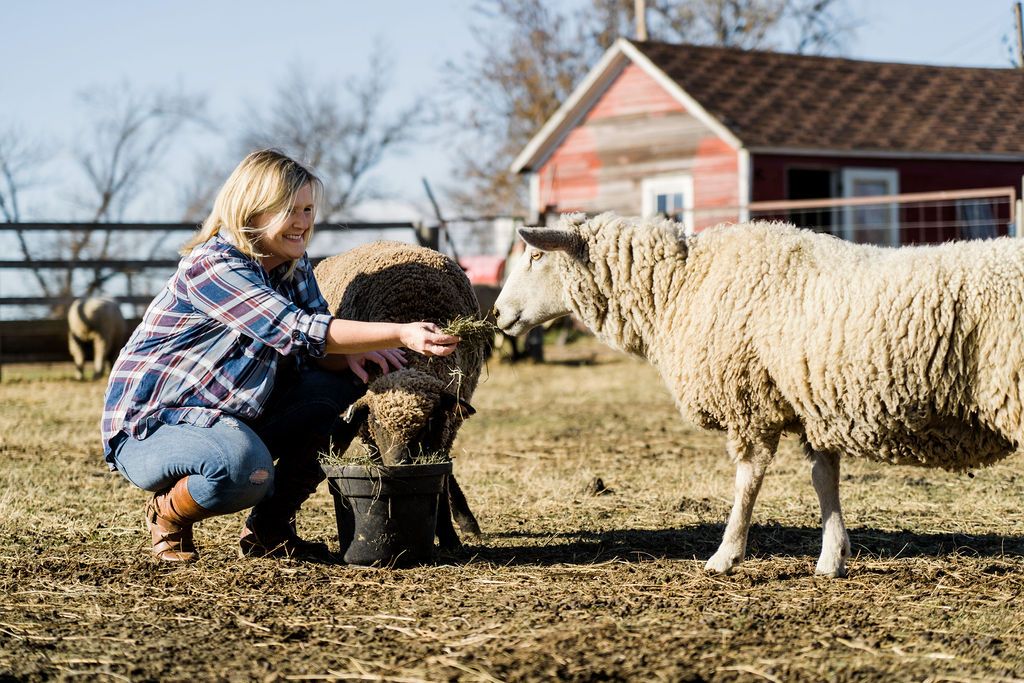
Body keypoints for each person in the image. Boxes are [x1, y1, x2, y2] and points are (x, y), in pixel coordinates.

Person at [101, 149, 460, 563]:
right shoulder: (214, 267)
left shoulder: (294, 266)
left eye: (308, 209)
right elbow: (293, 328)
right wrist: (400, 332)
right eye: (289, 209)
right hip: (154, 427)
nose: (303, 222)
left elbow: (317, 344)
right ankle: (167, 513)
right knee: (245, 470)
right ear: (251, 209)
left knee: (343, 388)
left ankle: (268, 528)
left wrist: (354, 355)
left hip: (231, 416)